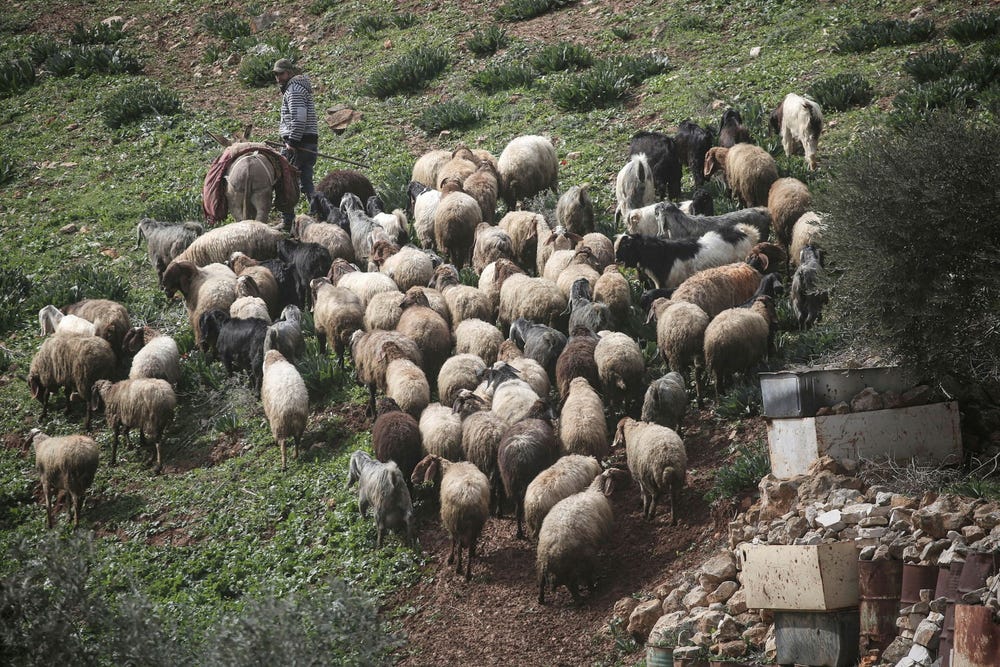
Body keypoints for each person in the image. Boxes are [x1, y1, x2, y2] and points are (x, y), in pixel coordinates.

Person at [273, 58, 318, 226]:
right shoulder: (297, 88)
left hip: (299, 145)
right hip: (307, 141)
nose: (278, 78)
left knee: (286, 181)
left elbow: (299, 119)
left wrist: (292, 142)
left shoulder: (294, 90)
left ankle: (288, 220)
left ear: (290, 73)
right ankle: (318, 212)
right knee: (306, 180)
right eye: (276, 75)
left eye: (281, 74)